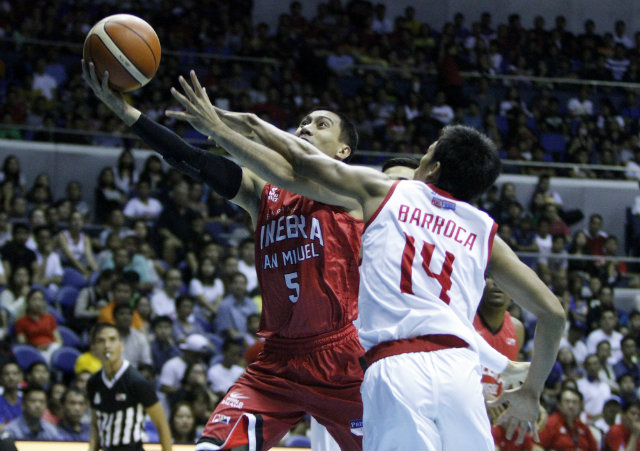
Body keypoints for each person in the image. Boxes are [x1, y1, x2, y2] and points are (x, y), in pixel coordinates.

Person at [84, 64, 528, 451]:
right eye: (302, 122)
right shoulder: (264, 194)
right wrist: (130, 116)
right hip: (277, 361)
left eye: (320, 124)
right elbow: (195, 161)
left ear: (342, 152)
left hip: (344, 361)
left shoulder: (360, 195)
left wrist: (220, 125)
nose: (305, 127)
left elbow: (287, 164)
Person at [87, 323, 172, 451]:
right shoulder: (93, 382)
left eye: (112, 339)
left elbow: (161, 425)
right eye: (101, 341)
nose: (107, 346)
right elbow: (95, 424)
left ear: (121, 345)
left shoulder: (137, 381)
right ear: (93, 348)